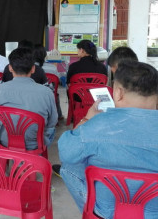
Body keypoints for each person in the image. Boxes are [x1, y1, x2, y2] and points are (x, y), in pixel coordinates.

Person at [58, 61, 158, 218]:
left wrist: (86, 119)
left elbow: (65, 152)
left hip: (107, 210)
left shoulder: (96, 125)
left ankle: (90, 212)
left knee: (69, 166)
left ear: (118, 93)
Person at [0, 47, 58, 150]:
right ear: (33, 69)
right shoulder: (47, 92)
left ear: (10, 68)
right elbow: (52, 121)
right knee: (51, 129)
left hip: (5, 141)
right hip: (35, 144)